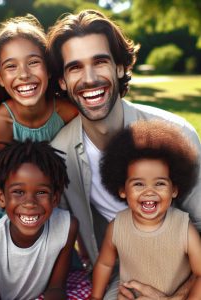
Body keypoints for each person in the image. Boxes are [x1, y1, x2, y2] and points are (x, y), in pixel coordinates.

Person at [47, 9, 201, 299]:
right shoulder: (60, 155)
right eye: (75, 67)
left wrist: (179, 295)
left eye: (100, 62)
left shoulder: (177, 134)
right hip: (121, 278)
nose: (90, 78)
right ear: (62, 82)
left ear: (119, 67)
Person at [0, 15, 78, 229]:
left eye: (33, 62)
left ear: (49, 69)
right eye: (11, 67)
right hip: (10, 211)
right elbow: (9, 184)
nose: (24, 74)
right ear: (0, 77)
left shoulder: (68, 113)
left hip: (56, 202)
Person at [91, 119, 201, 299]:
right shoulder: (117, 227)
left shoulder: (183, 227)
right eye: (139, 184)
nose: (149, 192)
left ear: (174, 190)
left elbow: (200, 273)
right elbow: (105, 264)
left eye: (159, 183)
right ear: (122, 190)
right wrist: (95, 297)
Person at [0, 139, 78, 300]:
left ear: (55, 198)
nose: (29, 203)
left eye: (41, 192)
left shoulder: (67, 227)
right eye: (18, 192)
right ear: (1, 198)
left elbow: (56, 288)